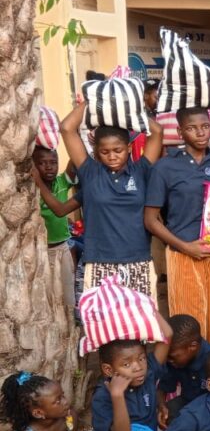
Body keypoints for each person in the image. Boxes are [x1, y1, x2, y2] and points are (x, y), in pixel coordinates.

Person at [144, 106, 210, 343]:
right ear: (180, 132)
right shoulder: (165, 167)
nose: (201, 133)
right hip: (183, 253)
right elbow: (150, 220)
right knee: (188, 322)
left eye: (205, 126)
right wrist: (184, 247)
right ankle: (190, 367)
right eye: (192, 128)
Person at [59, 101, 163, 296]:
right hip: (99, 262)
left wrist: (128, 105)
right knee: (101, 316)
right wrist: (93, 99)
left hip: (138, 261)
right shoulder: (90, 172)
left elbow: (157, 132)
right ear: (97, 151)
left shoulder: (141, 171)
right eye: (105, 152)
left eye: (118, 150)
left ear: (129, 148)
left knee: (139, 315)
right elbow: (66, 128)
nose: (112, 156)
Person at [29, 145, 77, 307]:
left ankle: (70, 319)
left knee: (67, 293)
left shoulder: (62, 182)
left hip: (62, 248)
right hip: (40, 251)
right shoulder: (31, 190)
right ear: (33, 166)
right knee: (46, 296)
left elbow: (75, 159)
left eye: (53, 162)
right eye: (42, 163)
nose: (49, 167)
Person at [158, 314, 210, 422]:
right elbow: (163, 387)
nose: (167, 360)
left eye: (171, 356)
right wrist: (161, 406)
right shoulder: (174, 361)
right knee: (165, 412)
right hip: (187, 403)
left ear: (192, 346)